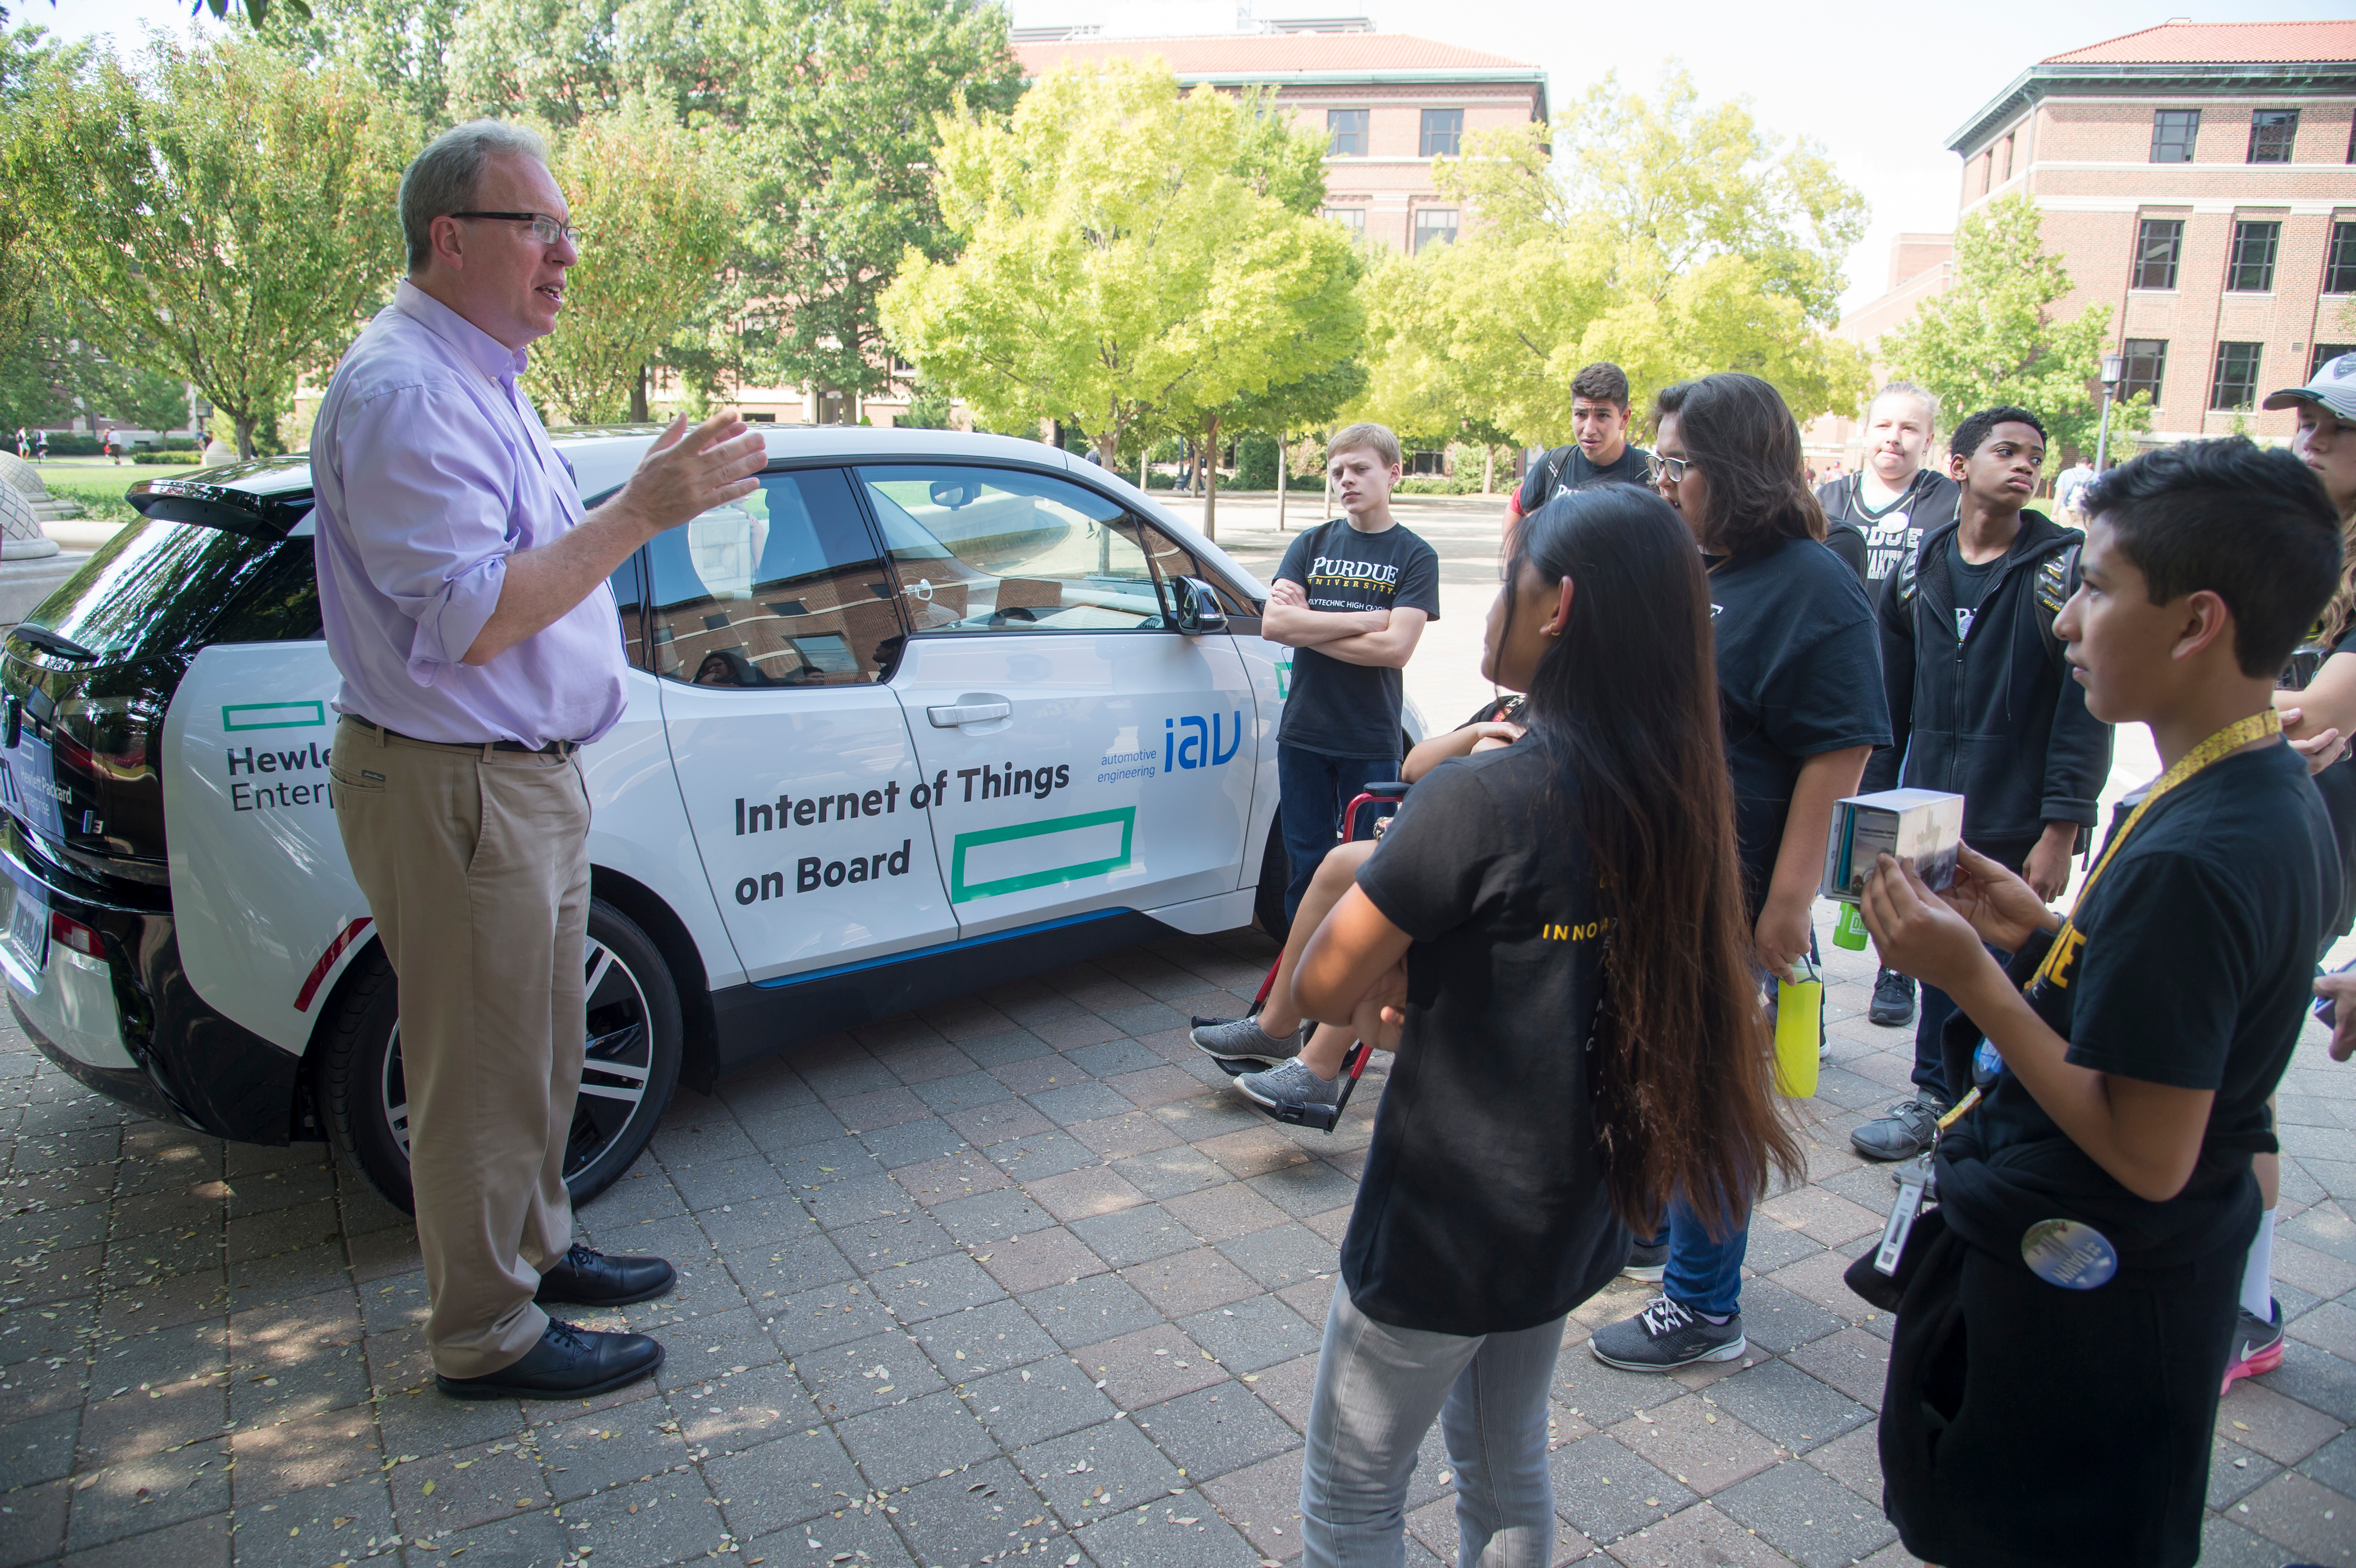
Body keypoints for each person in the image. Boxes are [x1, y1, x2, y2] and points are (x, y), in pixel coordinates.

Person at [311, 119, 766, 1401]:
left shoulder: (482, 367)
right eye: (539, 228)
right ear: (452, 240)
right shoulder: (405, 388)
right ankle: (486, 1334)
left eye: (570, 229)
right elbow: (473, 615)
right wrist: (643, 511)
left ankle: (539, 1251)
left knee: (543, 1051)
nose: (566, 254)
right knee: (479, 1076)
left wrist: (654, 501)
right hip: (459, 786)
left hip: (521, 779)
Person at [1286, 483, 1802, 1565]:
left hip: (1440, 1221)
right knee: (1504, 1459)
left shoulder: (1481, 797)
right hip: (1575, 1204)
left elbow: (1322, 994)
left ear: (1556, 606)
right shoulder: (1680, 791)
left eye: (1506, 581)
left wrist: (1406, 965)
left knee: (1353, 1501)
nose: (1488, 612)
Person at [1860, 436, 2340, 1568]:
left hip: (2095, 1296)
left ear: (2197, 621)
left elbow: (2148, 1146)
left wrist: (1970, 974)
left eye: (2096, 587)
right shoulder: (2243, 779)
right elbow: (2167, 1003)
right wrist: (2037, 929)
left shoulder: (2205, 847)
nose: (2066, 622)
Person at [1587, 372, 1889, 1371]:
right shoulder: (1697, 564)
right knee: (1655, 1072)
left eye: (1680, 464)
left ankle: (1705, 1306)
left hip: (1739, 894)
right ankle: (1664, 1232)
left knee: (1707, 1094)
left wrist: (1788, 907)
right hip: (1660, 881)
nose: (1663, 481)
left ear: (1739, 470)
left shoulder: (1815, 587)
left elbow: (1839, 754)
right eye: (1662, 462)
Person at [1847, 407, 2111, 1163]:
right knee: (1938, 954)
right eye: (2006, 450)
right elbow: (1890, 699)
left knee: (2009, 959)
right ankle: (1935, 1095)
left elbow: (2083, 710)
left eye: (2036, 454)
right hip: (1930, 802)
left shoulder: (2063, 568)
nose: (2025, 464)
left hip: (2017, 807)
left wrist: (2061, 826)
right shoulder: (1918, 565)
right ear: (1960, 465)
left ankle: (1994, 1103)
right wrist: (1880, 804)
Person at [1195, 695, 1523, 1118]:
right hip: (1448, 846)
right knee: (1339, 863)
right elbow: (1414, 767)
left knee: (1402, 885)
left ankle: (1319, 1067)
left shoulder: (1569, 718)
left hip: (1500, 865)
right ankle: (1276, 1026)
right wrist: (1477, 733)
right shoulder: (1511, 707)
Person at [2239, 353, 2356, 1390]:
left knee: (2240, 1093)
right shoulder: (2314, 555)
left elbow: (2304, 717)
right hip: (2287, 827)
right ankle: (2249, 1301)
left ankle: (2247, 1310)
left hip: (2304, 847)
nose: (2311, 437)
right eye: (2307, 417)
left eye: (2336, 426)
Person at [1817, 383, 1961, 1030]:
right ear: (1864, 430)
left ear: (1929, 440)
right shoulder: (1829, 502)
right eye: (1883, 425)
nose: (1893, 439)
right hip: (1842, 689)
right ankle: (1804, 965)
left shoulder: (1946, 505)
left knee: (1897, 838)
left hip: (1912, 691)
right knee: (1835, 834)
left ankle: (1895, 968)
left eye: (1909, 428)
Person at [1259, 423, 1438, 924]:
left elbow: (1396, 647)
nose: (1347, 481)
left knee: (1369, 867)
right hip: (1304, 736)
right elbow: (1275, 625)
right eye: (1337, 472)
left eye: (1360, 469)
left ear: (1393, 473)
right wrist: (1364, 620)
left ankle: (1354, 985)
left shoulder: (1415, 556)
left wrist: (1310, 624)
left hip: (1371, 737)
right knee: (1306, 866)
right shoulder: (1310, 543)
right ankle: (1295, 991)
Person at [1506, 362, 1651, 525]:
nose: (1589, 429)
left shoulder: (1649, 471)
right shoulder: (1553, 464)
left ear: (1624, 418)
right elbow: (1516, 507)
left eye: (1602, 415)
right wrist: (1515, 550)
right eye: (1581, 414)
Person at [2054, 454, 2096, 521]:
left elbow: (2059, 495)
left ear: (2077, 464)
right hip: (2084, 513)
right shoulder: (2096, 477)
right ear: (2090, 465)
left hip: (2066, 510)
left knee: (2065, 530)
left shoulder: (2065, 474)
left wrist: (2054, 513)